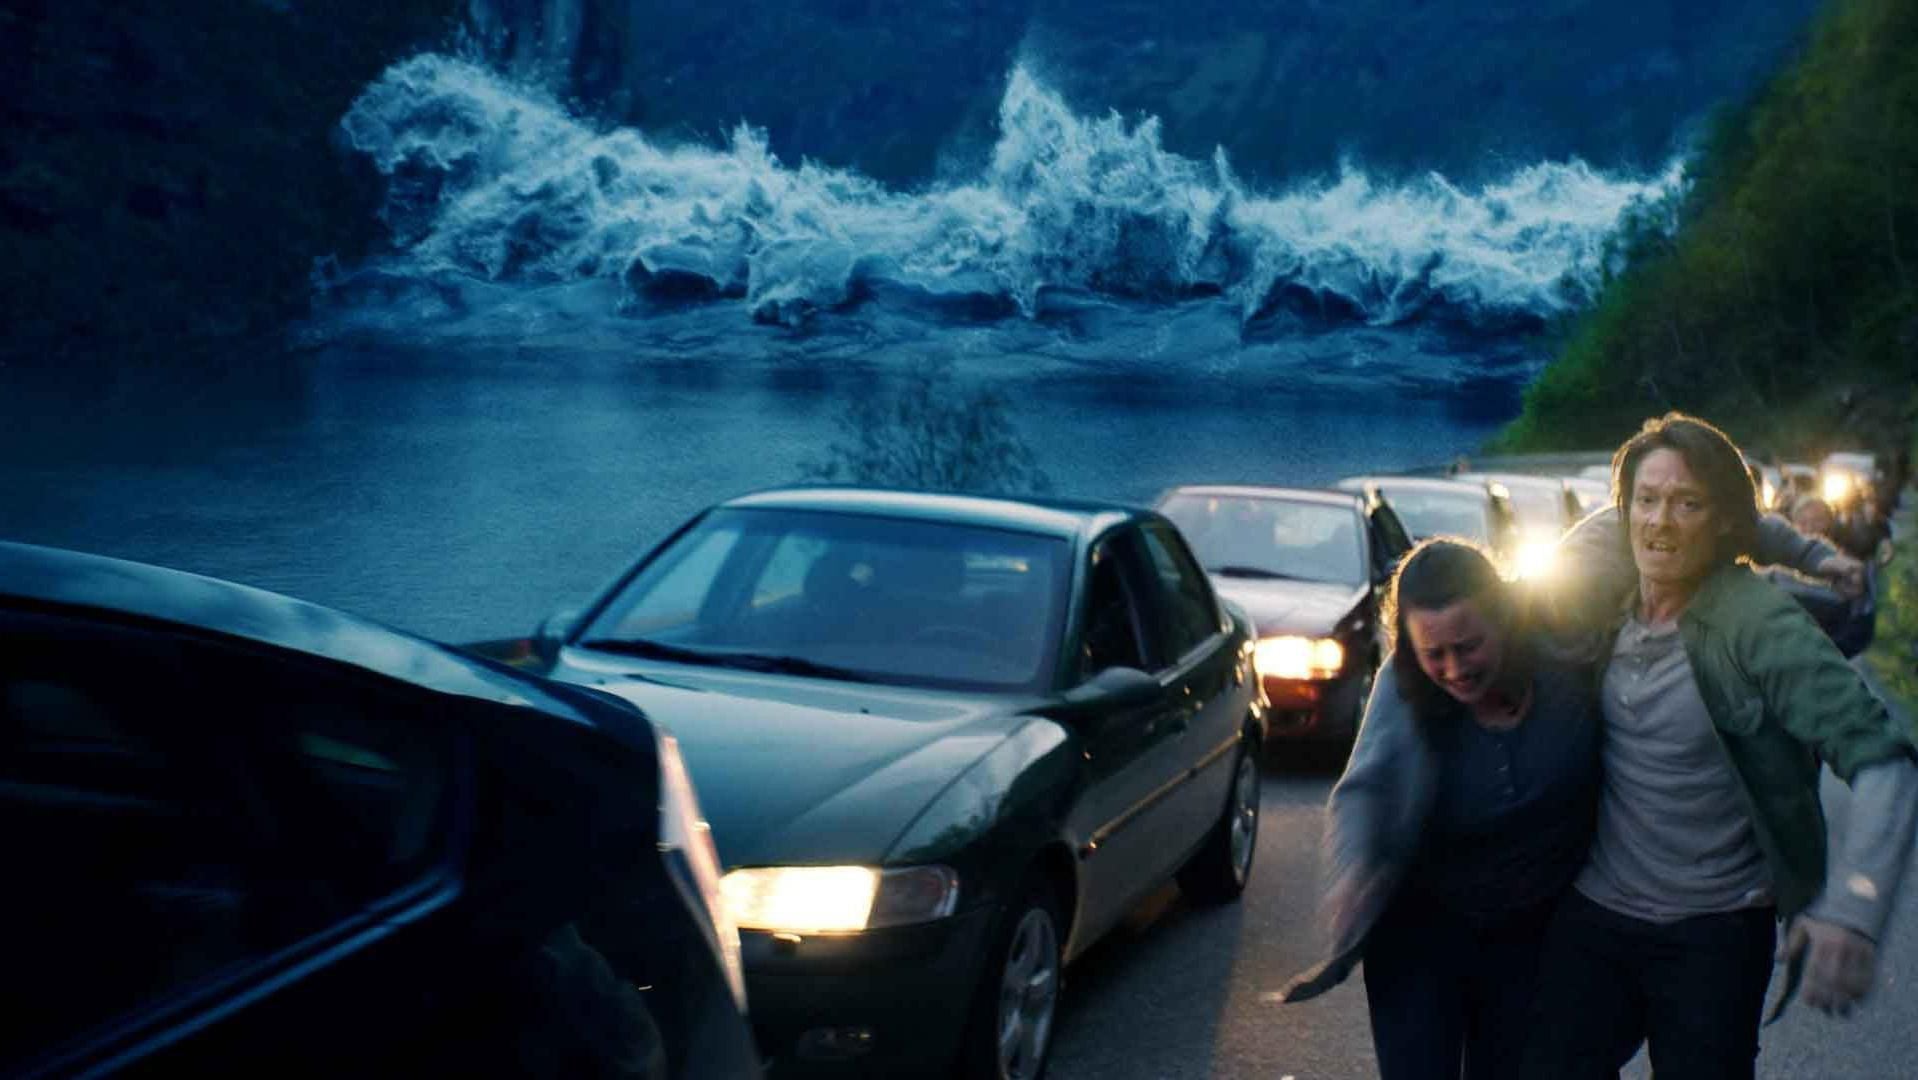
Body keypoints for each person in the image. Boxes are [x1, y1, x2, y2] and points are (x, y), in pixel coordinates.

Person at [1523, 413, 1918, 1079]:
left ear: (1723, 523)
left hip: (1713, 933)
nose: (1661, 522)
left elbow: (1886, 765)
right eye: (1647, 501)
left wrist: (1853, 911)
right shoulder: (1601, 582)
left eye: (1688, 504)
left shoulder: (1760, 623)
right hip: (1595, 915)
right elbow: (1479, 626)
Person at [1280, 539, 1603, 1080]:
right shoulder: (1403, 687)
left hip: (1531, 938)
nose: (1454, 669)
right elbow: (1368, 789)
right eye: (1434, 654)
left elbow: (1618, 546)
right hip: (1420, 931)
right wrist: (1355, 868)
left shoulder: (1568, 667)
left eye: (1469, 645)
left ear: (1504, 618)